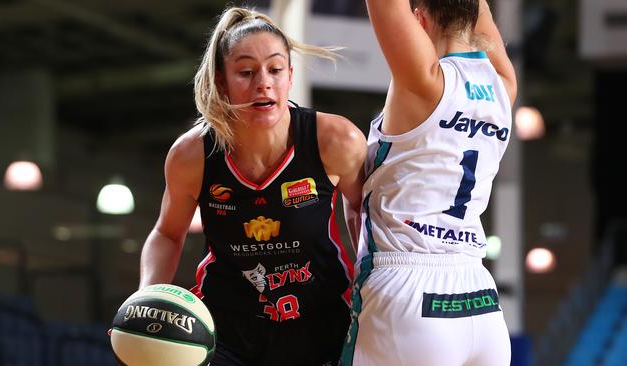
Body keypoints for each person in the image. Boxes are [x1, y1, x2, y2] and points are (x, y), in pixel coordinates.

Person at [138, 6, 366, 366]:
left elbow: (361, 211)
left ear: (290, 76)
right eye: (246, 72)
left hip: (322, 324)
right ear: (222, 81)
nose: (264, 82)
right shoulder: (192, 155)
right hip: (226, 329)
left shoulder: (335, 139)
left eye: (275, 69)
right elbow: (167, 233)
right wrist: (147, 298)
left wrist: (375, 283)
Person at [340, 0, 517, 365]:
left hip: (408, 290)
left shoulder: (423, 82)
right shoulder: (504, 86)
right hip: (481, 298)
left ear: (419, 20)